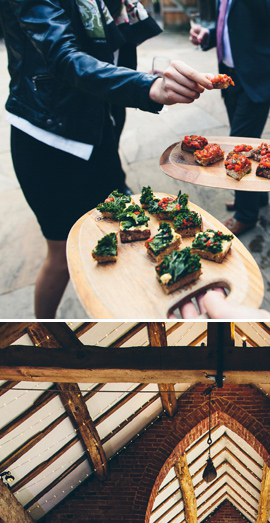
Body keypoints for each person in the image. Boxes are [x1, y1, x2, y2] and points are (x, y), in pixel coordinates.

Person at [0, 0, 210, 317]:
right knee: (60, 257)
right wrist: (147, 86)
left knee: (126, 232)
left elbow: (104, 53)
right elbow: (65, 59)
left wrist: (136, 76)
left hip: (98, 130)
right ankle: (44, 329)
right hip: (48, 138)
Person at [190, 0, 270, 235]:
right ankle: (257, 197)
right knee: (247, 138)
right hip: (232, 77)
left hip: (257, 74)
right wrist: (208, 35)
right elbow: (231, 23)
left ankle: (246, 215)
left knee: (239, 146)